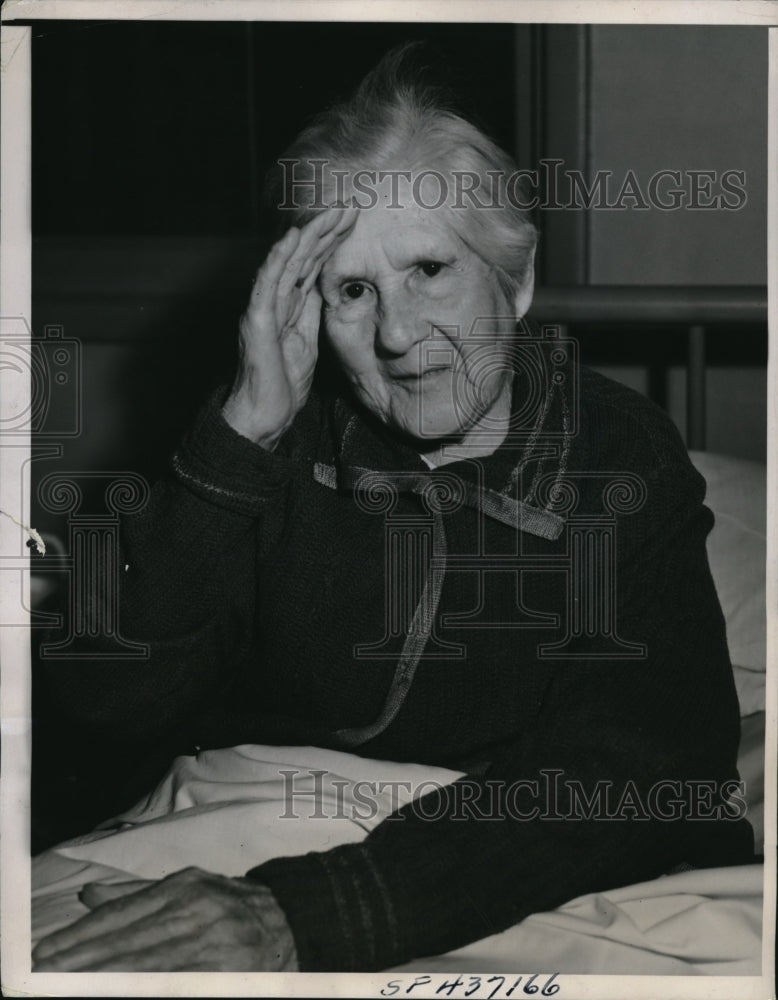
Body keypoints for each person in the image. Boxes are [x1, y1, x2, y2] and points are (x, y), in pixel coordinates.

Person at [32, 46, 753, 972]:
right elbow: (102, 707)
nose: (400, 336)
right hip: (233, 826)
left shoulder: (616, 456)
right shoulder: (267, 434)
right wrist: (238, 443)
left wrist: (299, 916)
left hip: (468, 869)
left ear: (517, 283)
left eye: (430, 271)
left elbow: (635, 779)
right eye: (354, 291)